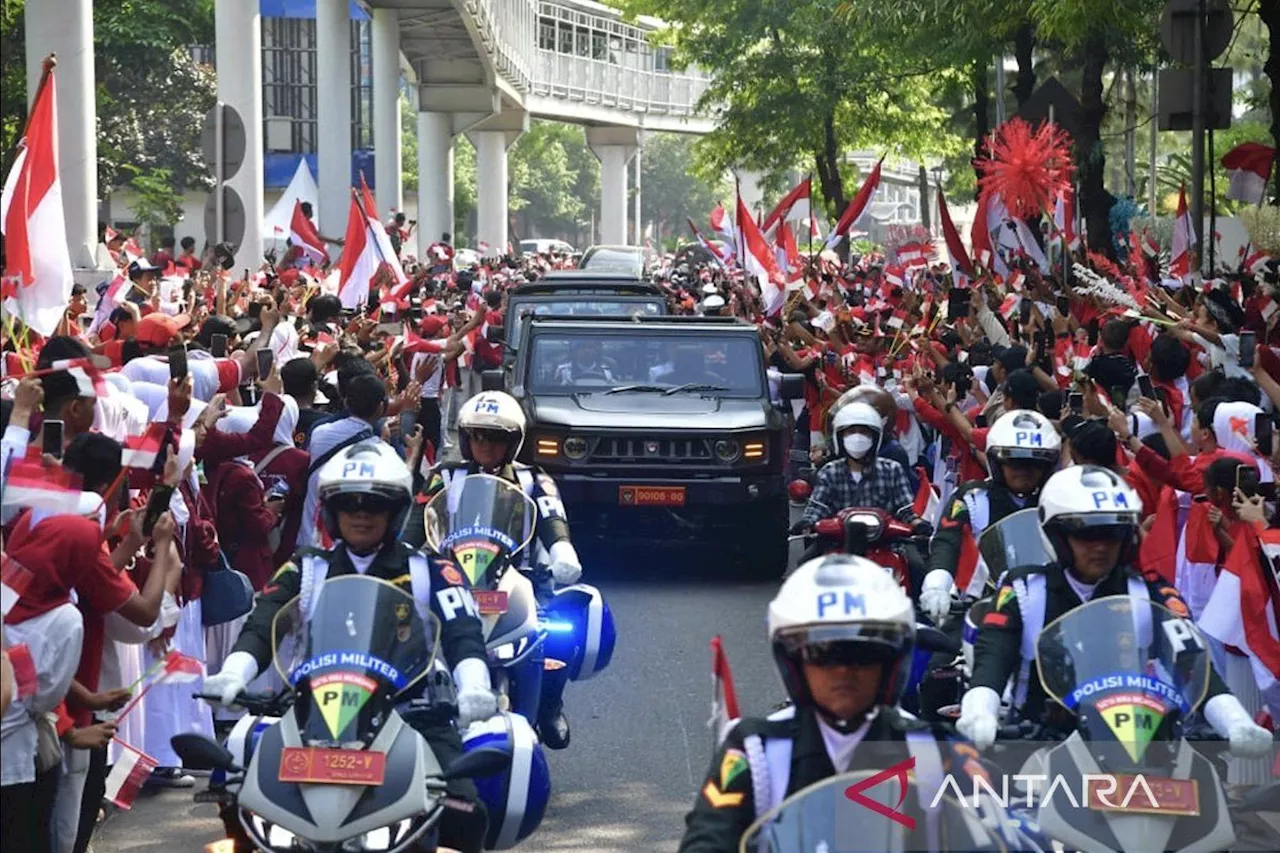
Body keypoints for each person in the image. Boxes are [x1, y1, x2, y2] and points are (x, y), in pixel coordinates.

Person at [202, 441, 495, 853]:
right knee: (236, 792)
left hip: (412, 714)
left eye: (374, 504)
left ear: (395, 512)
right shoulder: (306, 568)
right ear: (331, 512)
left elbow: (463, 632)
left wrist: (475, 686)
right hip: (313, 718)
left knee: (466, 809)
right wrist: (235, 671)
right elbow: (264, 621)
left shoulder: (431, 571)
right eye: (350, 503)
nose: (361, 513)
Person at [678, 555, 1002, 852]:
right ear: (794, 662)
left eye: (863, 654)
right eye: (824, 654)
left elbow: (998, 835)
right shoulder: (755, 750)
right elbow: (707, 838)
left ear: (891, 662)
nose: (844, 670)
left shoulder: (940, 752)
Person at [956, 464, 1273, 758]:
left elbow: (1191, 660)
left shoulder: (1149, 590)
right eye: (1086, 534)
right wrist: (980, 710)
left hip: (1135, 749)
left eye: (1113, 533)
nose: (1100, 546)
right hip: (1037, 746)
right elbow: (993, 655)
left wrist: (1234, 722)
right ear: (1056, 535)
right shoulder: (1024, 589)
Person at [410, 391, 583, 749]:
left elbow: (552, 515)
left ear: (513, 441)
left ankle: (550, 706)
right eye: (478, 436)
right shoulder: (445, 476)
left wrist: (561, 548)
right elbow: (417, 521)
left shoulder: (534, 479)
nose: (486, 444)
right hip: (453, 579)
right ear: (466, 439)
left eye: (496, 437)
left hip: (522, 577)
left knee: (561, 632)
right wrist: (403, 556)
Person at [921, 408, 1062, 622]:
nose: (1023, 469)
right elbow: (947, 541)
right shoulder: (972, 497)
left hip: (1045, 608)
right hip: (979, 605)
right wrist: (936, 584)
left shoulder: (1058, 503)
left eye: (1034, 461)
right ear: (996, 462)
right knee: (939, 654)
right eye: (1014, 461)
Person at [792, 402, 928, 536]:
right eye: (851, 432)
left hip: (886, 545)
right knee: (806, 559)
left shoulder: (892, 470)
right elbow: (818, 508)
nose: (857, 437)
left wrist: (918, 523)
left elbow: (905, 510)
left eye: (864, 432)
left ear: (875, 438)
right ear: (840, 438)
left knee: (915, 558)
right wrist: (807, 523)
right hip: (838, 545)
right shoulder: (830, 472)